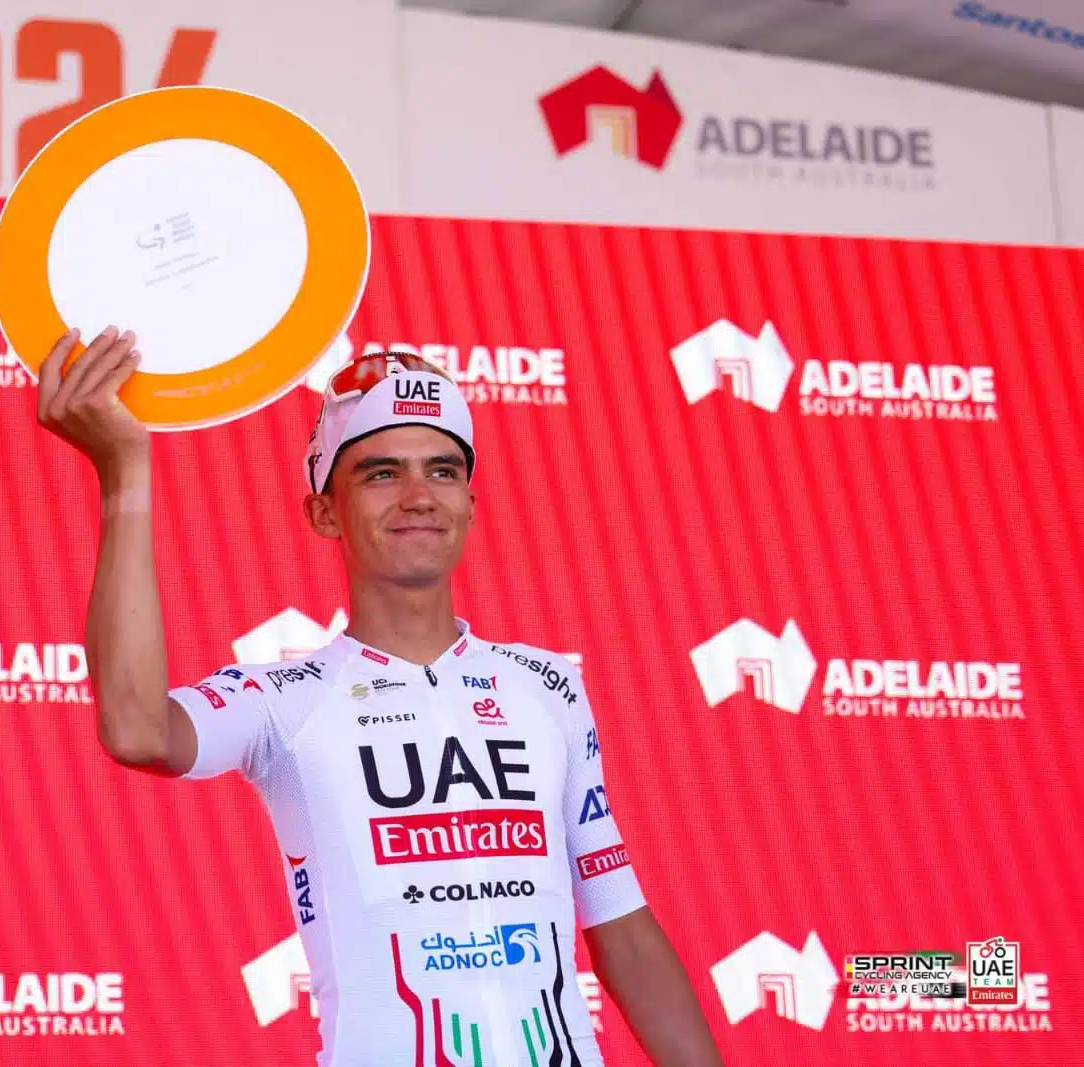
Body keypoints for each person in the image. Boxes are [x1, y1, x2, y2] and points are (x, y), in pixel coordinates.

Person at [37, 325, 726, 1067]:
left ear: (469, 501)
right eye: (379, 473)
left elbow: (620, 923)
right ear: (324, 513)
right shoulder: (286, 699)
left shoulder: (548, 685)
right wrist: (123, 471)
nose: (419, 496)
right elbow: (137, 727)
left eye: (442, 469)